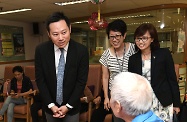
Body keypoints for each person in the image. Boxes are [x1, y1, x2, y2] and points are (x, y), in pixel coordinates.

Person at [34, 11, 89, 122]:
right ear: (49, 34)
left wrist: (68, 106)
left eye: (64, 32)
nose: (60, 38)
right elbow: (40, 80)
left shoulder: (81, 51)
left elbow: (81, 82)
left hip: (72, 107)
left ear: (70, 29)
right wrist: (51, 105)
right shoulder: (41, 50)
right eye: (55, 34)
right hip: (50, 108)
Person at [128, 23, 181, 121]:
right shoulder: (133, 59)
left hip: (163, 102)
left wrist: (176, 104)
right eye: (138, 39)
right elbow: (133, 85)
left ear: (152, 39)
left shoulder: (164, 54)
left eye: (144, 38)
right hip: (143, 103)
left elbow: (172, 80)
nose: (140, 42)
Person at [99, 19, 135, 122]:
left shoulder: (134, 49)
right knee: (118, 119)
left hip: (132, 94)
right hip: (115, 94)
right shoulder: (106, 55)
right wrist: (106, 97)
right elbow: (105, 77)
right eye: (111, 37)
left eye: (117, 36)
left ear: (124, 35)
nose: (114, 39)